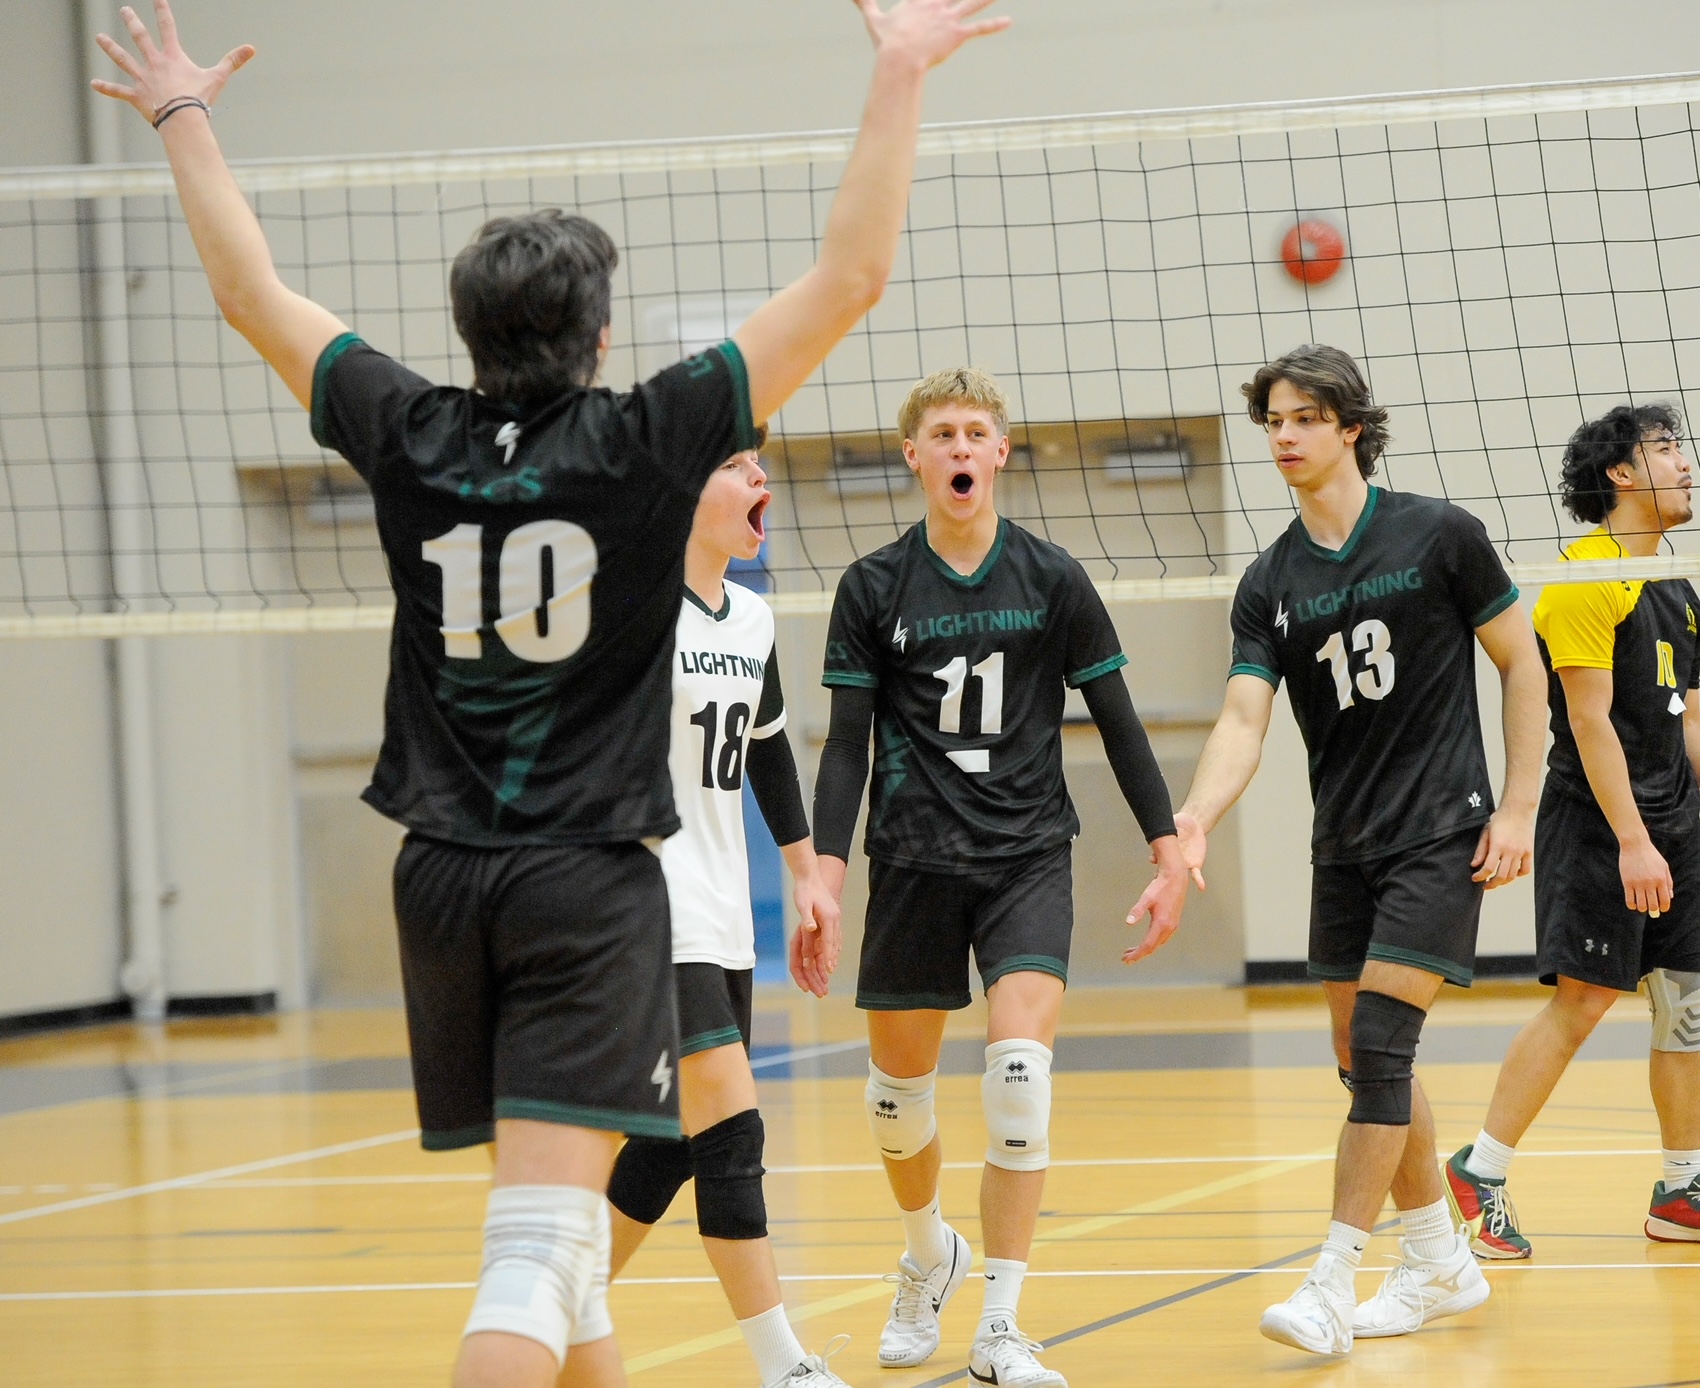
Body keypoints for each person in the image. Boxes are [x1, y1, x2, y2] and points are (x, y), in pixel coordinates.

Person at [90, 3, 1008, 1384]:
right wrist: (895, 70)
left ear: (465, 330)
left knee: (568, 1251)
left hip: (439, 883)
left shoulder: (406, 429)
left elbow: (247, 295)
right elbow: (852, 275)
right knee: (533, 1253)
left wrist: (182, 115)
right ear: (600, 333)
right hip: (581, 884)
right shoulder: (646, 442)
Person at [811, 367, 1191, 1388]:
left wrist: (1168, 844)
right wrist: (824, 870)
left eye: (978, 431)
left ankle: (1002, 1326)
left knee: (1020, 1080)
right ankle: (928, 1251)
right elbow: (844, 746)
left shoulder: (1052, 576)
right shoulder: (871, 587)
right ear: (916, 455)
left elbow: (1114, 718)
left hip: (1026, 852)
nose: (962, 448)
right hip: (913, 859)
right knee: (897, 1103)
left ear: (1001, 452)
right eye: (943, 432)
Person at [1170, 344, 1549, 1356]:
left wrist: (1516, 808)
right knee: (1359, 1057)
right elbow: (1244, 720)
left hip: (1440, 826)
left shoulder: (1438, 534)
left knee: (1380, 1040)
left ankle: (1331, 1277)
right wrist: (1195, 814)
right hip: (1342, 839)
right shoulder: (1270, 580)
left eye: (1303, 417)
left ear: (1349, 426)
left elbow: (1522, 663)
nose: (1284, 436)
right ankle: (1438, 1260)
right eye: (1273, 421)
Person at [1445, 405, 1700, 1260]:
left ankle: (1682, 1190)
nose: (1686, 463)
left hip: (1672, 822)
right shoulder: (1584, 576)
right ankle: (1481, 1170)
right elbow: (1589, 718)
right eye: (1668, 449)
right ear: (1621, 474)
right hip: (1600, 824)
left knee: (1682, 1002)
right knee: (1586, 997)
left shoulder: (1674, 590)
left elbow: (1689, 726)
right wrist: (1634, 841)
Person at [596, 438, 853, 1388]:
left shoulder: (749, 616)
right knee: (733, 1135)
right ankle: (783, 1365)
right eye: (741, 467)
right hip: (645, 907)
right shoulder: (627, 609)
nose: (763, 484)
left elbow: (770, 752)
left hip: (720, 910)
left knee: (669, 1146)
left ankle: (550, 1312)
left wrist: (807, 878)